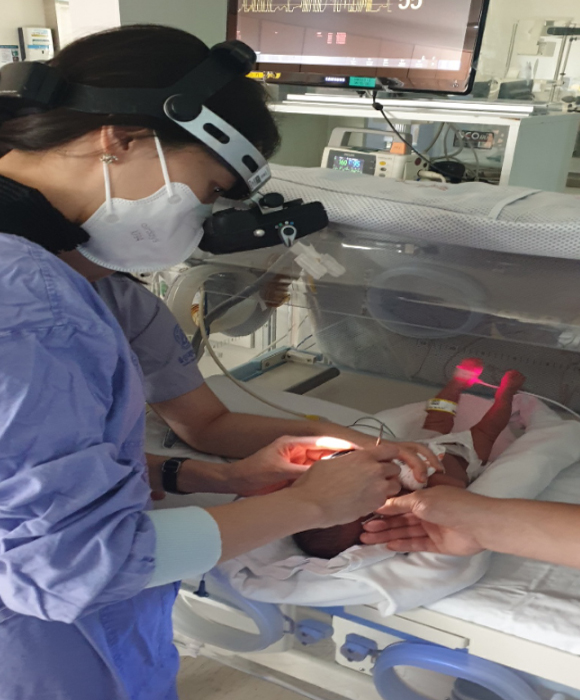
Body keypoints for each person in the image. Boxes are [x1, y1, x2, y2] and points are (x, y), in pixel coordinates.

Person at [0, 24, 440, 700]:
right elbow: (72, 566)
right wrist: (310, 504)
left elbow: (37, 473)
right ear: (122, 139)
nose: (202, 223)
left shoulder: (88, 290)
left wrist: (223, 473)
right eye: (209, 190)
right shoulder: (34, 311)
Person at [294, 362, 525, 559]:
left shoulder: (365, 480)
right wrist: (426, 488)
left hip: (420, 446)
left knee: (437, 417)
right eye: (366, 511)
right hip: (463, 455)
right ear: (372, 525)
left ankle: (457, 384)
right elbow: (455, 488)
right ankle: (507, 394)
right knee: (487, 430)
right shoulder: (407, 511)